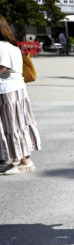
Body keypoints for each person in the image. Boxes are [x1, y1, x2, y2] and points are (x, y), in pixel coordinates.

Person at [0, 15, 41, 175]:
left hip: (8, 92)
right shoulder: (12, 46)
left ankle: (25, 161)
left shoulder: (2, 48)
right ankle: (17, 159)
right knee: (17, 125)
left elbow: (1, 68)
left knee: (13, 127)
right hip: (16, 90)